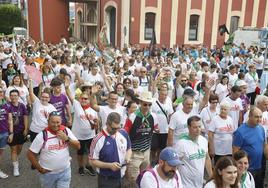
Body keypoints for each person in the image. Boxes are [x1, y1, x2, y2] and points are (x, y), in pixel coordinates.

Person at [27, 111, 80, 188]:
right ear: (48, 122)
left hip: (65, 171)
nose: (55, 125)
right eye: (53, 122)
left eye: (58, 122)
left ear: (61, 122)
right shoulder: (42, 135)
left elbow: (78, 146)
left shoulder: (66, 131)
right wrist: (40, 169)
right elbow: (30, 154)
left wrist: (67, 139)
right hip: (48, 174)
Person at [65, 78, 98, 176]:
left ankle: (88, 165)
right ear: (79, 99)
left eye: (86, 99)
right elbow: (69, 95)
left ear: (89, 100)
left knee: (89, 153)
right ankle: (81, 167)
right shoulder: (76, 104)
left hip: (90, 136)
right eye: (82, 98)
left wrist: (96, 123)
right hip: (79, 136)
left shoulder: (93, 109)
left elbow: (96, 125)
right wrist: (66, 87)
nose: (83, 100)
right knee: (80, 153)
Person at [89, 112, 132, 188]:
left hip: (122, 176)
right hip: (107, 180)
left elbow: (129, 149)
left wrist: (128, 158)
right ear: (107, 124)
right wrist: (109, 166)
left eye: (118, 127)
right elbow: (92, 161)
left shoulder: (123, 133)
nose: (116, 131)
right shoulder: (97, 139)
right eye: (113, 128)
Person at [124, 91, 158, 184]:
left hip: (146, 152)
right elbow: (125, 135)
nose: (147, 107)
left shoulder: (153, 117)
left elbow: (155, 128)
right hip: (134, 153)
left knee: (145, 177)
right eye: (145, 104)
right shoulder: (132, 117)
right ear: (140, 103)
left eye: (149, 105)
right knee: (133, 180)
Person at [233, 107, 267, 188]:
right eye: (256, 117)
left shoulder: (261, 128)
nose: (259, 119)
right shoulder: (240, 131)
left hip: (259, 166)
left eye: (260, 117)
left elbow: (264, 145)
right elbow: (235, 151)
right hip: (247, 168)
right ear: (250, 116)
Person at [175, 115, 213, 188]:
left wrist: (211, 176)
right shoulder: (181, 144)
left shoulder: (203, 140)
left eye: (199, 126)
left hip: (199, 183)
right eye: (195, 127)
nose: (198, 129)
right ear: (189, 127)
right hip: (185, 184)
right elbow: (175, 164)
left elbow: (207, 158)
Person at [150, 86, 174, 166]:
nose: (163, 96)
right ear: (158, 94)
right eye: (162, 94)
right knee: (153, 148)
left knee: (161, 147)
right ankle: (152, 161)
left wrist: (171, 126)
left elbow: (171, 114)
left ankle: (158, 161)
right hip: (154, 130)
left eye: (165, 95)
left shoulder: (168, 102)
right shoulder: (153, 102)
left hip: (165, 130)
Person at [7, 89, 29, 176]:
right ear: (10, 96)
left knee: (19, 148)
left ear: (18, 96)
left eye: (15, 95)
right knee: (13, 149)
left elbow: (26, 117)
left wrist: (26, 129)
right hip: (11, 132)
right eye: (12, 95)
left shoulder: (22, 105)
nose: (13, 97)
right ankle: (15, 167)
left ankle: (15, 158)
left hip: (21, 131)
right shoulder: (7, 106)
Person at [0, 86, 13, 178]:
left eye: (1, 92)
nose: (0, 94)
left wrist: (11, 133)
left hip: (4, 133)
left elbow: (10, 120)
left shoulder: (7, 105)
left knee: (0, 153)